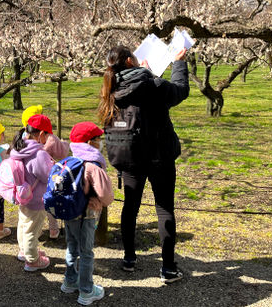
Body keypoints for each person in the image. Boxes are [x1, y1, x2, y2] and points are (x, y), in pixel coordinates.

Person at [98, 45, 189, 283]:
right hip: (160, 156)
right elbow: (180, 91)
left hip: (130, 158)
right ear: (130, 61)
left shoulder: (111, 88)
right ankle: (168, 268)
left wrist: (147, 75)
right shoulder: (152, 84)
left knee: (131, 207)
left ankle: (129, 258)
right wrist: (178, 63)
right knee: (164, 208)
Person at [60, 122, 114, 305]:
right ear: (90, 142)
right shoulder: (92, 165)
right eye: (98, 139)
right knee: (86, 252)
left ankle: (69, 281)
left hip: (69, 212)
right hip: (87, 215)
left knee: (71, 246)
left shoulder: (69, 161)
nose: (100, 142)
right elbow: (106, 196)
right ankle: (86, 291)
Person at [10, 114, 54, 271]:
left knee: (23, 224)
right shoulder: (38, 153)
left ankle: (25, 251)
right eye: (48, 135)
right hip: (36, 198)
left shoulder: (19, 148)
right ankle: (32, 260)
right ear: (42, 134)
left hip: (23, 195)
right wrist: (52, 165)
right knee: (32, 230)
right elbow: (47, 175)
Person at [21, 105, 69, 239]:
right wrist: (64, 144)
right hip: (40, 190)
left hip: (25, 189)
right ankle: (33, 254)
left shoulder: (22, 139)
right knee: (46, 209)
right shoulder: (44, 146)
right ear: (42, 134)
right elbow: (46, 173)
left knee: (27, 221)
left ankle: (34, 237)